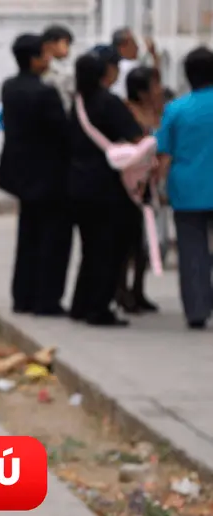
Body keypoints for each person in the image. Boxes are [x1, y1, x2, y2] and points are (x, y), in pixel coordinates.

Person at [0, 33, 72, 317]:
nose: (49, 59)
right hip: (49, 175)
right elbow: (62, 132)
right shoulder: (44, 92)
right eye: (44, 54)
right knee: (53, 239)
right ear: (33, 59)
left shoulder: (9, 87)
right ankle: (46, 300)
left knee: (28, 236)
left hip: (21, 173)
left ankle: (23, 296)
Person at [68, 49, 147, 327]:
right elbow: (137, 137)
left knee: (90, 248)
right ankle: (99, 308)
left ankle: (80, 304)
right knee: (109, 249)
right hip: (107, 187)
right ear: (105, 73)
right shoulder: (109, 102)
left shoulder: (77, 102)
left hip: (77, 184)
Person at [155, 46, 213, 330]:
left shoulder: (175, 109)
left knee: (192, 251)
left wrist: (157, 189)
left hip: (187, 190)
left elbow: (164, 155)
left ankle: (197, 310)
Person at [116, 65, 164, 314]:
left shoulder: (158, 110)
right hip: (132, 184)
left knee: (143, 242)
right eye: (154, 85)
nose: (159, 89)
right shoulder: (127, 112)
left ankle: (138, 289)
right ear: (142, 91)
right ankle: (122, 290)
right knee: (127, 240)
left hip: (151, 183)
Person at [111, 27, 161, 98]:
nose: (137, 47)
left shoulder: (114, 66)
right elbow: (154, 81)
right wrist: (154, 55)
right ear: (122, 47)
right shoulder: (130, 66)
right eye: (133, 43)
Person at [42, 25, 76, 112]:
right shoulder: (47, 68)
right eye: (66, 43)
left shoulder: (62, 67)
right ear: (51, 44)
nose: (68, 48)